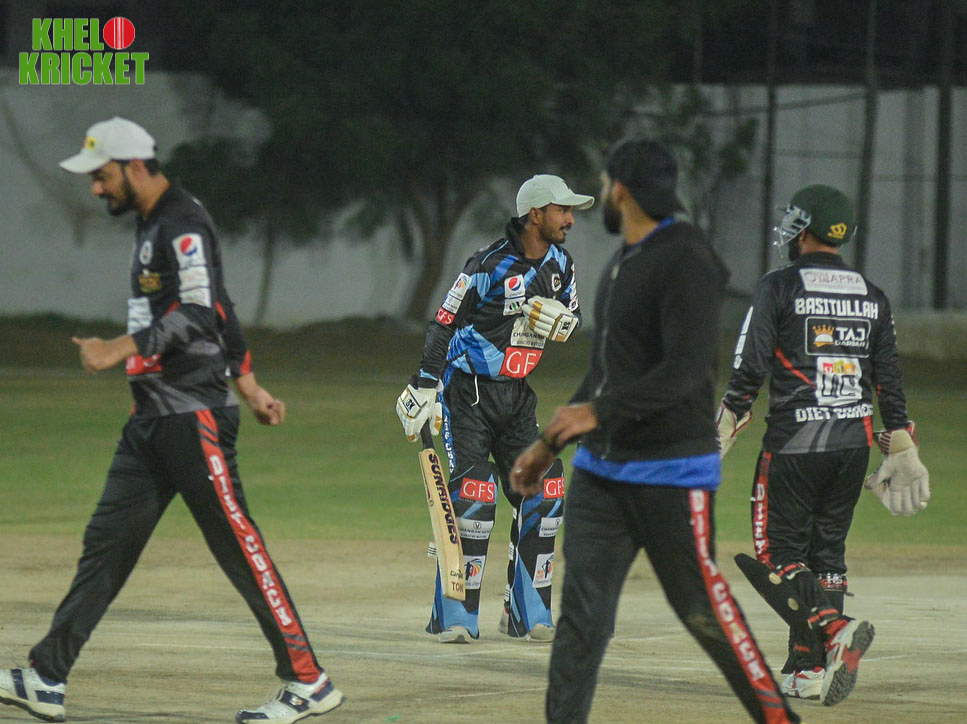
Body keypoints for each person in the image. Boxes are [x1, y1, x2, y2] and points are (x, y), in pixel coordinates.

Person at [0, 117, 344, 724]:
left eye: (102, 176)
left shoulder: (181, 222)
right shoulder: (155, 222)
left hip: (193, 415)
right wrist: (250, 383)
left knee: (239, 547)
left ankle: (308, 680)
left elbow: (199, 312)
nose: (95, 189)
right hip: (152, 419)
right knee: (106, 546)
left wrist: (118, 348)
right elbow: (221, 304)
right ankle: (46, 676)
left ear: (134, 166)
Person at [511, 137, 802, 724]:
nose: (602, 196)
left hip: (672, 472)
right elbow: (606, 372)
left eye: (604, 184)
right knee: (582, 619)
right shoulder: (626, 261)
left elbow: (687, 369)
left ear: (620, 189)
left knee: (702, 610)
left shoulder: (687, 257)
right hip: (601, 476)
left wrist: (598, 414)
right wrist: (549, 442)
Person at [716, 184, 929, 705]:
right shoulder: (873, 294)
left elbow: (751, 364)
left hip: (795, 442)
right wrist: (901, 444)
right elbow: (888, 378)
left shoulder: (779, 286)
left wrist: (725, 423)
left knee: (776, 552)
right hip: (853, 444)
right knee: (827, 555)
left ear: (804, 227)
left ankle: (834, 630)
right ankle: (808, 667)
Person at [396, 174, 593, 644]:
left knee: (544, 487)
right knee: (475, 495)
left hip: (517, 396)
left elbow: (572, 316)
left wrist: (566, 323)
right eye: (562, 210)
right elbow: (443, 324)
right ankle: (455, 616)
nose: (570, 219)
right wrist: (425, 384)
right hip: (467, 394)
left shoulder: (561, 265)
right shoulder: (486, 264)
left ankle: (527, 612)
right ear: (535, 214)